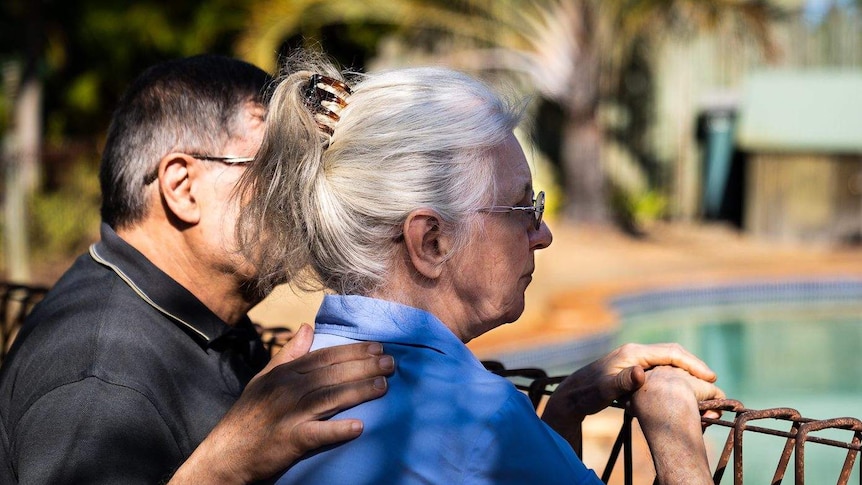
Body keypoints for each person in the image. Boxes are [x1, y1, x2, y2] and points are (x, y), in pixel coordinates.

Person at [236, 59, 725, 484]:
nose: (543, 234)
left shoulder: (287, 382)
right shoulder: (474, 415)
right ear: (431, 242)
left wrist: (567, 405)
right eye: (521, 208)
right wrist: (673, 425)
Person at [0, 55, 396, 484]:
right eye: (274, 169)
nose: (298, 193)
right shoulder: (102, 376)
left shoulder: (197, 322)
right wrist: (224, 465)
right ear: (182, 188)